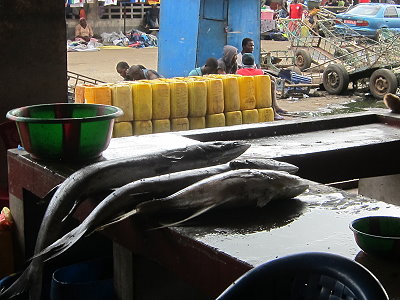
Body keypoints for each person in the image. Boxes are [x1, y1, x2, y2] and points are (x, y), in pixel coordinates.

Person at [236, 54, 286, 120]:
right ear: (254, 63)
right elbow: (270, 77)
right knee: (272, 83)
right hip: (260, 99)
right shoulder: (260, 72)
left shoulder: (238, 73)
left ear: (242, 63)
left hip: (244, 100)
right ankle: (274, 110)